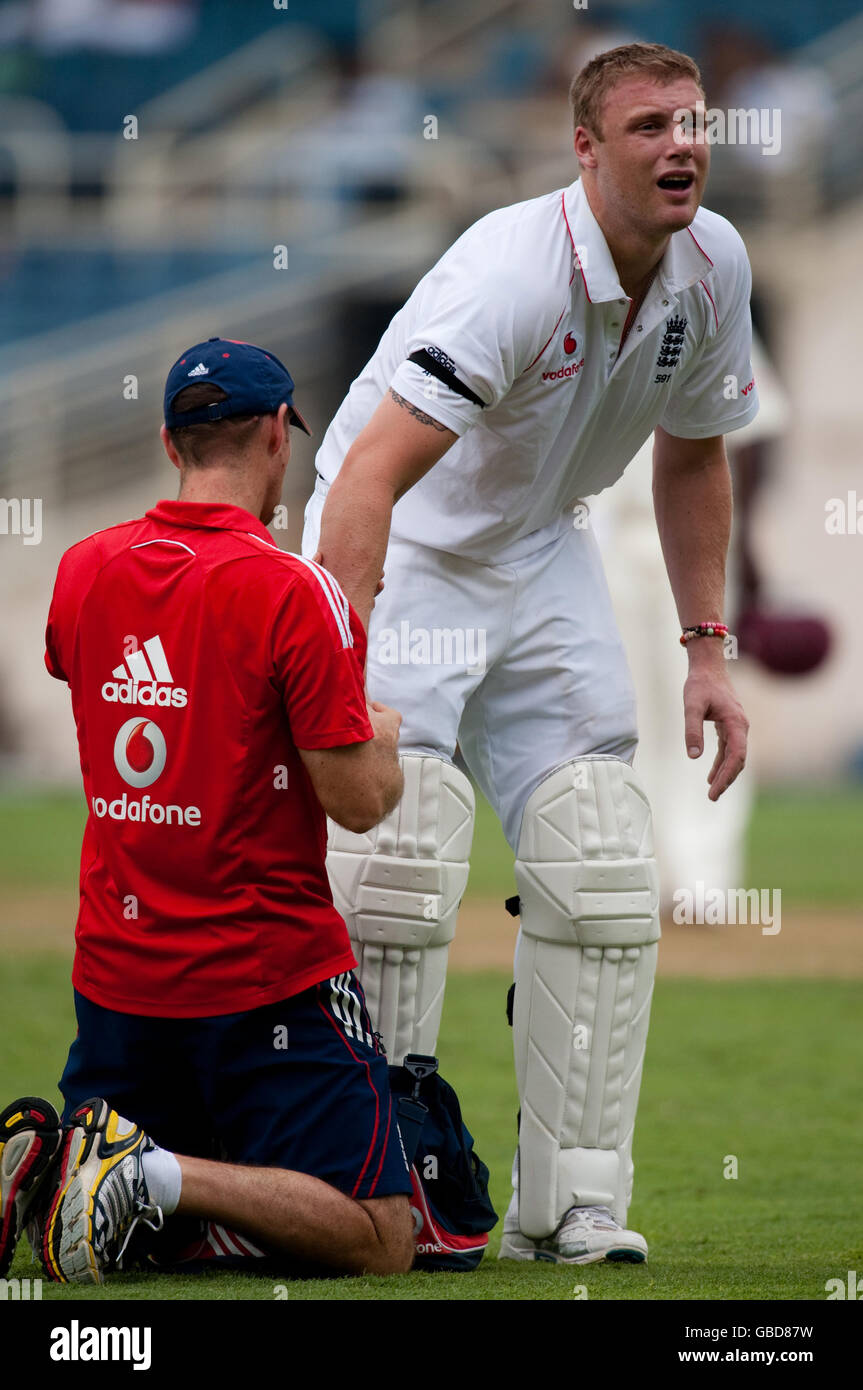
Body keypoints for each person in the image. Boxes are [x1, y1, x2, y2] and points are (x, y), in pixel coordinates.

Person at [302, 42, 757, 1265]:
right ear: (585, 149)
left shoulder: (713, 265)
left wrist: (705, 652)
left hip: (539, 551)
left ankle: (569, 1211)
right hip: (408, 548)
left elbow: (693, 449)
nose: (681, 144)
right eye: (650, 124)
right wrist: (340, 656)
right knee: (399, 858)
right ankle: (376, 1184)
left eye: (691, 121)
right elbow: (366, 477)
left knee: (604, 864)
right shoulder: (510, 276)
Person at [0, 338, 414, 1285]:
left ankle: (63, 1168)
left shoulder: (81, 570)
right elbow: (356, 803)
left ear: (169, 442)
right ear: (278, 435)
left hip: (117, 980)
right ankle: (146, 1169)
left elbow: (101, 677)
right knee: (381, 1235)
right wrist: (383, 738)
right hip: (260, 976)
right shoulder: (291, 589)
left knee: (150, 1245)